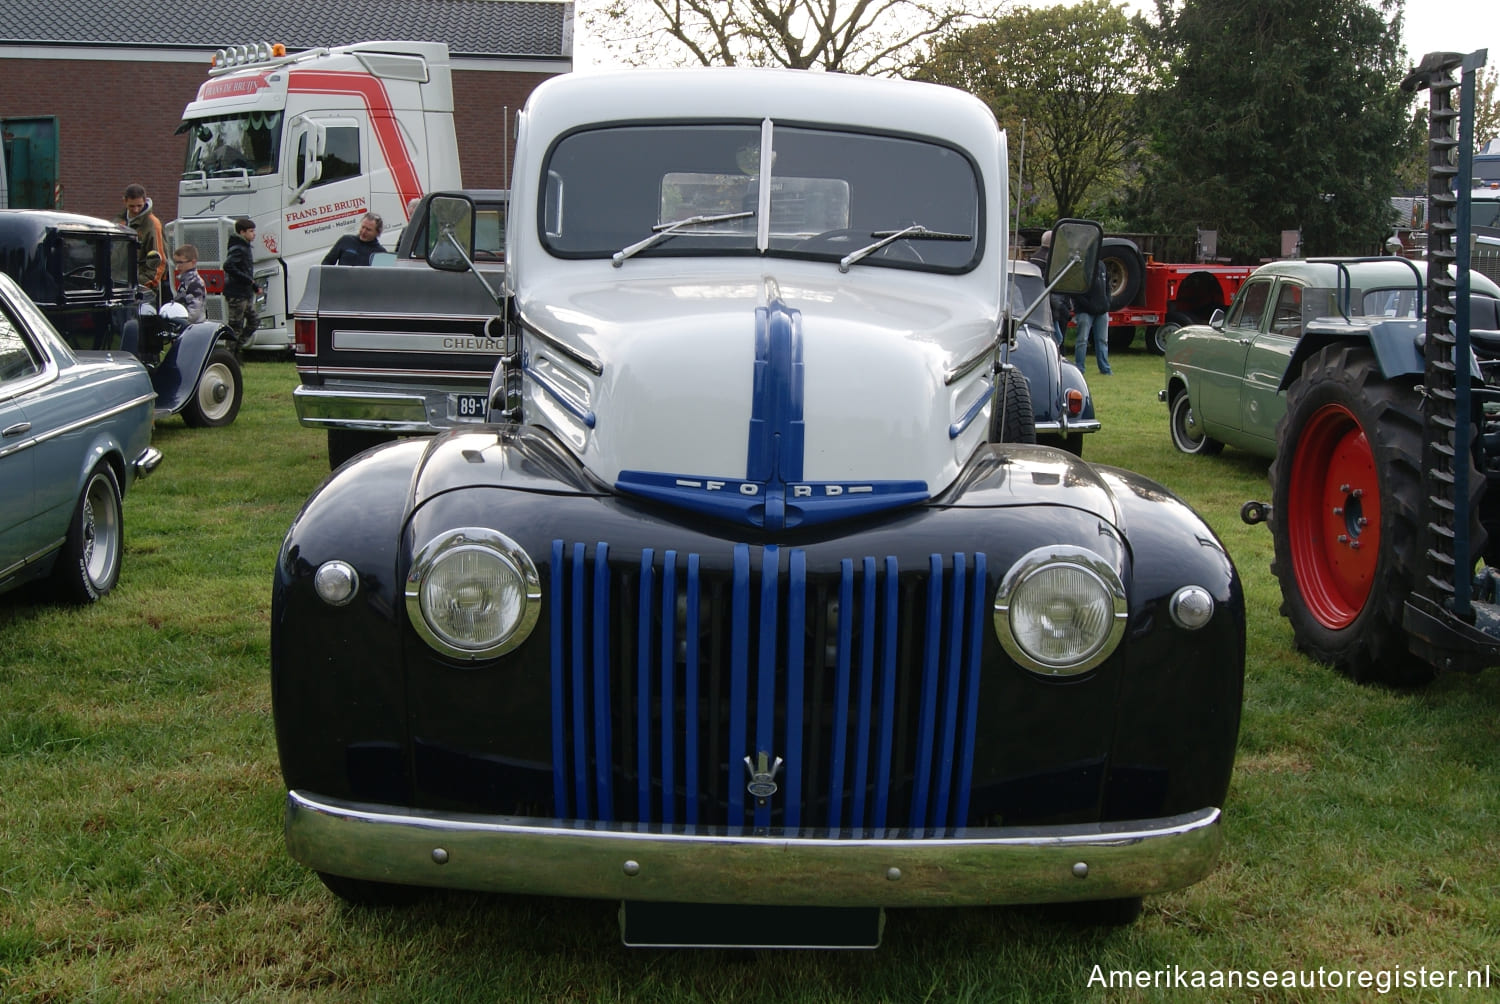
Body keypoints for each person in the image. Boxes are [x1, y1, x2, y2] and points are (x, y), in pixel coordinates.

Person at [117, 183, 169, 305]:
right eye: (131, 206)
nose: (136, 210)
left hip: (142, 288)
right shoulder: (120, 222)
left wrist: (145, 284)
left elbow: (159, 261)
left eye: (139, 206)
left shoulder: (152, 224)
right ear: (124, 201)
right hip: (121, 284)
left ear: (145, 201)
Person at [1029, 230, 1072, 349]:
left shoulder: (1034, 258)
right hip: (1053, 304)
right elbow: (1055, 284)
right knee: (1059, 338)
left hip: (1039, 303)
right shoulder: (1052, 259)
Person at [224, 217, 261, 354]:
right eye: (251, 231)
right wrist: (249, 281)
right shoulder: (238, 248)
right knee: (235, 326)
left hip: (245, 292)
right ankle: (230, 354)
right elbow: (228, 265)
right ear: (242, 232)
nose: (254, 234)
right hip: (236, 294)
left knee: (254, 320)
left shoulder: (245, 246)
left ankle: (237, 349)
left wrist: (252, 286)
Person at [1072, 258, 1112, 375]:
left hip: (1102, 310)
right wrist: (1088, 305)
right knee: (1082, 340)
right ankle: (1079, 368)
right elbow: (1076, 291)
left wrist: (1107, 302)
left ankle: (1105, 368)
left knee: (1103, 340)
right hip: (1085, 311)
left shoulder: (1101, 265)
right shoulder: (1080, 267)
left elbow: (1107, 286)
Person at [322, 213, 387, 266]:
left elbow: (384, 279)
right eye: (363, 227)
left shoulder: (382, 253)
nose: (363, 231)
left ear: (377, 232)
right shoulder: (346, 240)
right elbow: (326, 263)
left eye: (368, 230)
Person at [170, 245, 207, 323]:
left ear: (193, 262)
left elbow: (193, 314)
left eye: (181, 263)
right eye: (176, 263)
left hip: (193, 328)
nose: (177, 267)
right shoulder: (185, 281)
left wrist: (176, 320)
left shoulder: (195, 283)